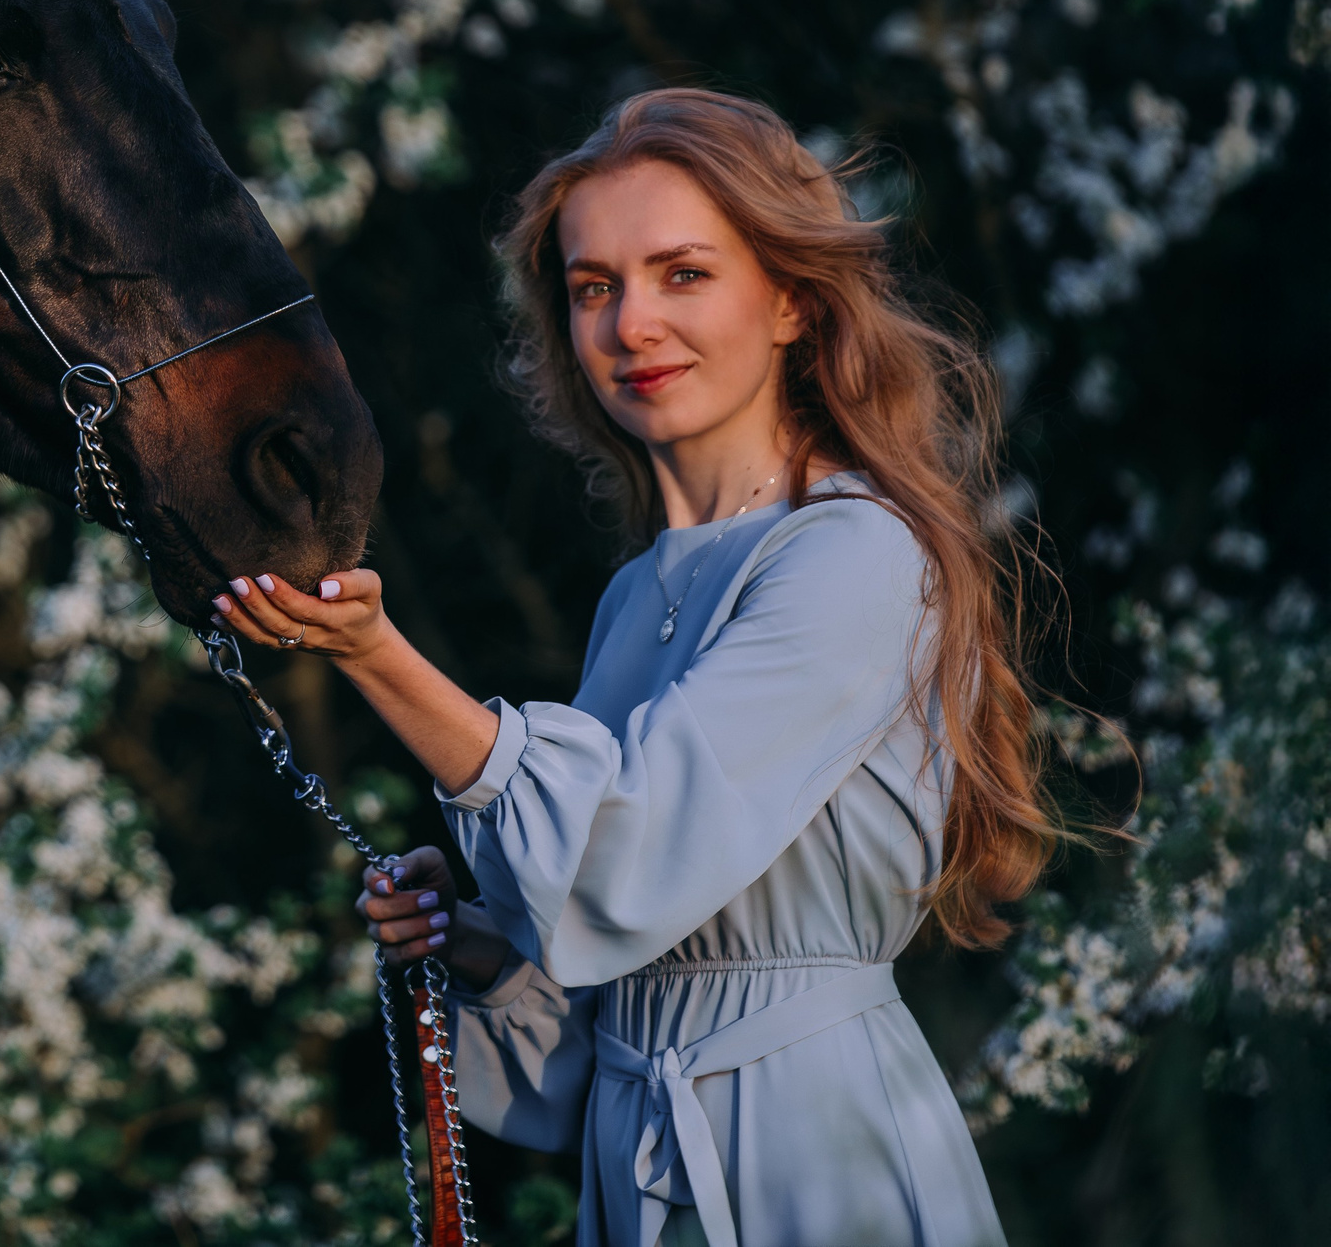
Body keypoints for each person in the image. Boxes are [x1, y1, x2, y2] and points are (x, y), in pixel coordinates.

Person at [211, 89, 1054, 1247]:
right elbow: (617, 985)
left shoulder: (853, 552)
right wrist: (478, 946)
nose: (631, 325)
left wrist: (372, 651)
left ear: (794, 303)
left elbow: (626, 849)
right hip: (641, 1163)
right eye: (593, 286)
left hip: (813, 1145)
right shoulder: (636, 593)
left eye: (683, 274)